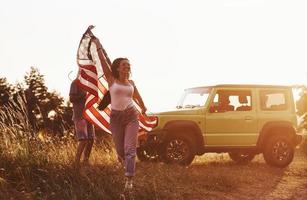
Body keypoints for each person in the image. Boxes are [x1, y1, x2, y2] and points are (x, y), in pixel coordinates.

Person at [93, 38, 147, 191]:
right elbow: (103, 62)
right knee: (120, 150)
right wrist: (98, 46)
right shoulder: (112, 80)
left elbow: (137, 97)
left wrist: (143, 107)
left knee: (130, 150)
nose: (127, 67)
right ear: (117, 68)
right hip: (116, 118)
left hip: (131, 116)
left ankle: (129, 180)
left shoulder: (132, 83)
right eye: (124, 64)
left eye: (128, 65)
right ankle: (122, 158)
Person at [69, 78, 95, 169]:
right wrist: (83, 95)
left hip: (89, 115)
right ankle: (76, 162)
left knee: (91, 139)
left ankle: (85, 161)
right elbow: (71, 98)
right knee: (83, 140)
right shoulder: (75, 83)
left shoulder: (89, 84)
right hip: (79, 116)